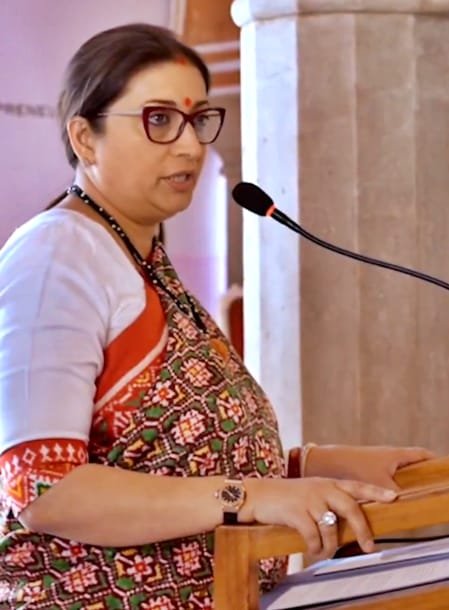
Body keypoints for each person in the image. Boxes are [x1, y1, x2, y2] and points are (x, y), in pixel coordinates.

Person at [0, 23, 433, 610]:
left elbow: (168, 459)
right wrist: (249, 496)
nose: (189, 146)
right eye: (159, 120)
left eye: (198, 119)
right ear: (85, 138)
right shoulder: (58, 254)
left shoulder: (140, 257)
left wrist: (314, 466)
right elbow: (45, 488)